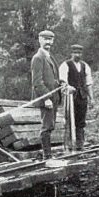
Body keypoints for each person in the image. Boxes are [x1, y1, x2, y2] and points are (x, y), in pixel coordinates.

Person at [30, 29, 63, 160]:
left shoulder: (50, 56)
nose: (48, 42)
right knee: (47, 126)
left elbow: (54, 78)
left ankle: (48, 154)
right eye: (45, 39)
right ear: (40, 40)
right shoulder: (38, 58)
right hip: (47, 99)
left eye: (50, 39)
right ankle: (47, 156)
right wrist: (46, 98)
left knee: (51, 125)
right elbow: (37, 82)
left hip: (54, 97)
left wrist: (62, 85)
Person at [59, 43, 93, 150]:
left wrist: (92, 98)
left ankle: (80, 144)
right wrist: (68, 87)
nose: (77, 55)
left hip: (82, 96)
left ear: (81, 54)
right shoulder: (65, 65)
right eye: (75, 53)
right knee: (69, 120)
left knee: (81, 121)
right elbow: (63, 81)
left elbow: (89, 83)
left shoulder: (85, 66)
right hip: (70, 97)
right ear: (71, 53)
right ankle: (70, 144)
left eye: (79, 53)